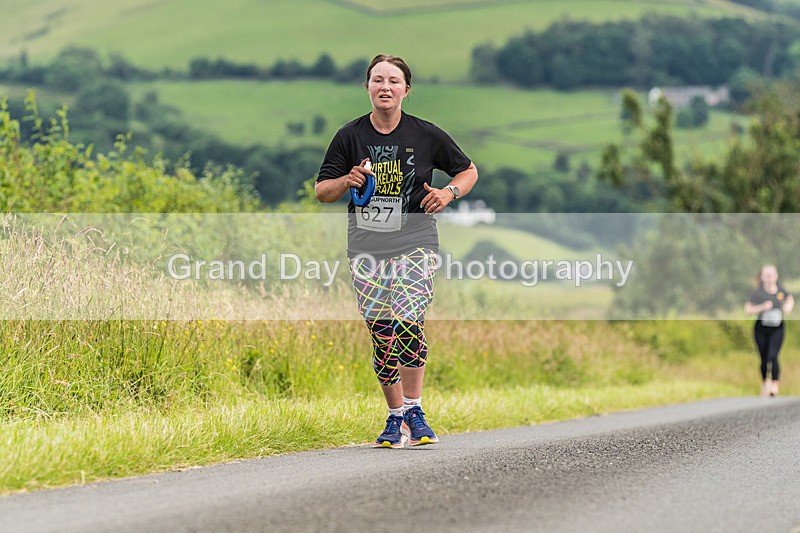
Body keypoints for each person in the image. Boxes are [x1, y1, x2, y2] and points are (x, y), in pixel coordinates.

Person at [315, 54, 478, 447]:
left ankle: (415, 409)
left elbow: (468, 170)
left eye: (393, 80)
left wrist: (447, 192)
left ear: (406, 89)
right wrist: (348, 179)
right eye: (377, 80)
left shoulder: (426, 135)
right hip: (366, 248)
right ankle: (395, 418)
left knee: (407, 319)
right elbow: (323, 192)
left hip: (415, 242)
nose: (384, 87)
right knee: (382, 332)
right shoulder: (349, 137)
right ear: (367, 87)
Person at [744, 264, 794, 397]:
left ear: (776, 276)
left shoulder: (780, 291)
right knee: (764, 357)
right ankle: (766, 381)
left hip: (777, 329)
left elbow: (789, 299)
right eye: (766, 275)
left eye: (772, 274)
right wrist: (762, 307)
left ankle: (775, 385)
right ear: (762, 277)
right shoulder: (758, 293)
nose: (769, 277)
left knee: (773, 354)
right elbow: (748, 309)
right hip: (761, 329)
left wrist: (788, 307)